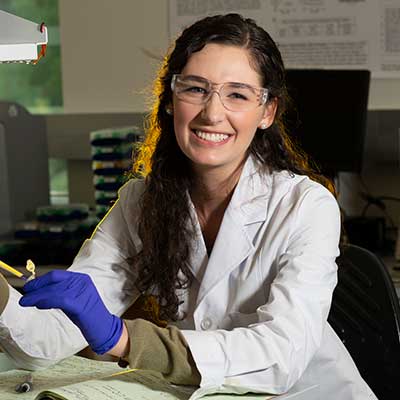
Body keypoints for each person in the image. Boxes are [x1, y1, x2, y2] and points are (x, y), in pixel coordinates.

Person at [0, 13, 376, 400]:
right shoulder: (141, 202)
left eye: (237, 94)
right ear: (169, 99)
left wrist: (125, 339)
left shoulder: (306, 206)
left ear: (267, 112)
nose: (212, 113)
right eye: (195, 89)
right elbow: (46, 344)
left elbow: (281, 356)